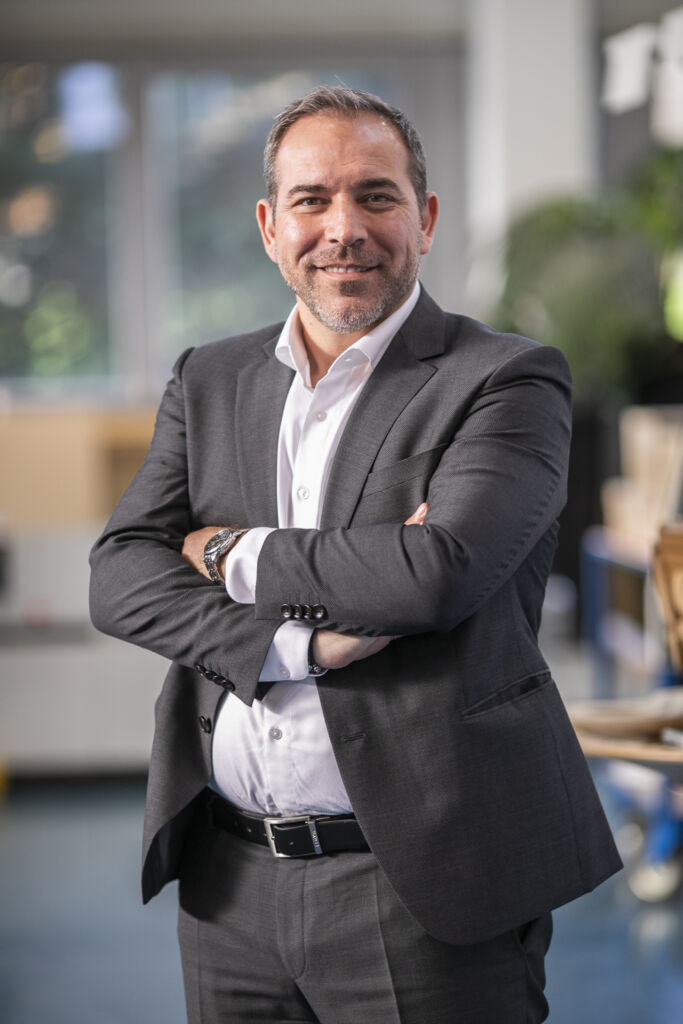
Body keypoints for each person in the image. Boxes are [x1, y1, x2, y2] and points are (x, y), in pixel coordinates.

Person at [89, 86, 622, 1023]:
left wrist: (228, 551)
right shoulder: (208, 379)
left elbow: (435, 573)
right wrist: (287, 646)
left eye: (376, 196)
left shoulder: (503, 377)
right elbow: (120, 573)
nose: (344, 229)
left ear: (424, 217)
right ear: (270, 226)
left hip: (423, 886)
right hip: (225, 883)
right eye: (312, 200)